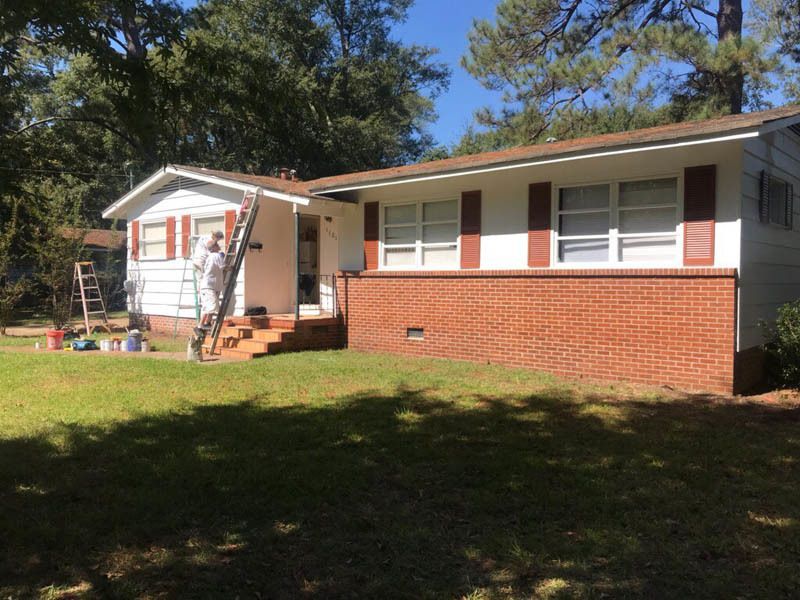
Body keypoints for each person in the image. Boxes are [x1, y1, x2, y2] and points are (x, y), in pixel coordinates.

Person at [199, 250, 226, 329]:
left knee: (211, 307)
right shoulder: (216, 257)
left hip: (212, 287)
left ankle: (207, 323)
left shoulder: (213, 263)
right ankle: (200, 325)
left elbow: (220, 273)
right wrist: (231, 267)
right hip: (208, 287)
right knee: (210, 306)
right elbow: (224, 267)